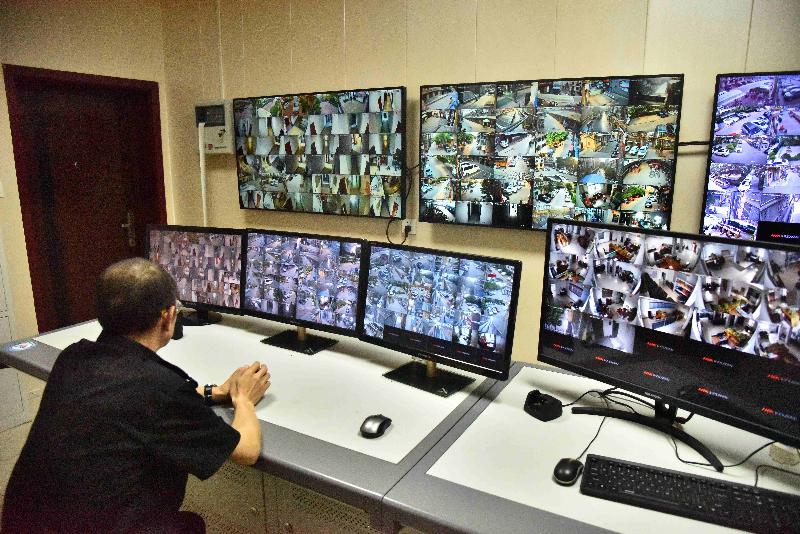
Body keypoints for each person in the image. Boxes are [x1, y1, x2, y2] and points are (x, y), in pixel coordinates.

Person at [2, 258, 270, 533]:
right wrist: (243, 399)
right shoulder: (161, 388)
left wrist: (217, 392)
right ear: (168, 316)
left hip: (21, 522)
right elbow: (246, 451)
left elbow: (133, 397)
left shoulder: (73, 357)